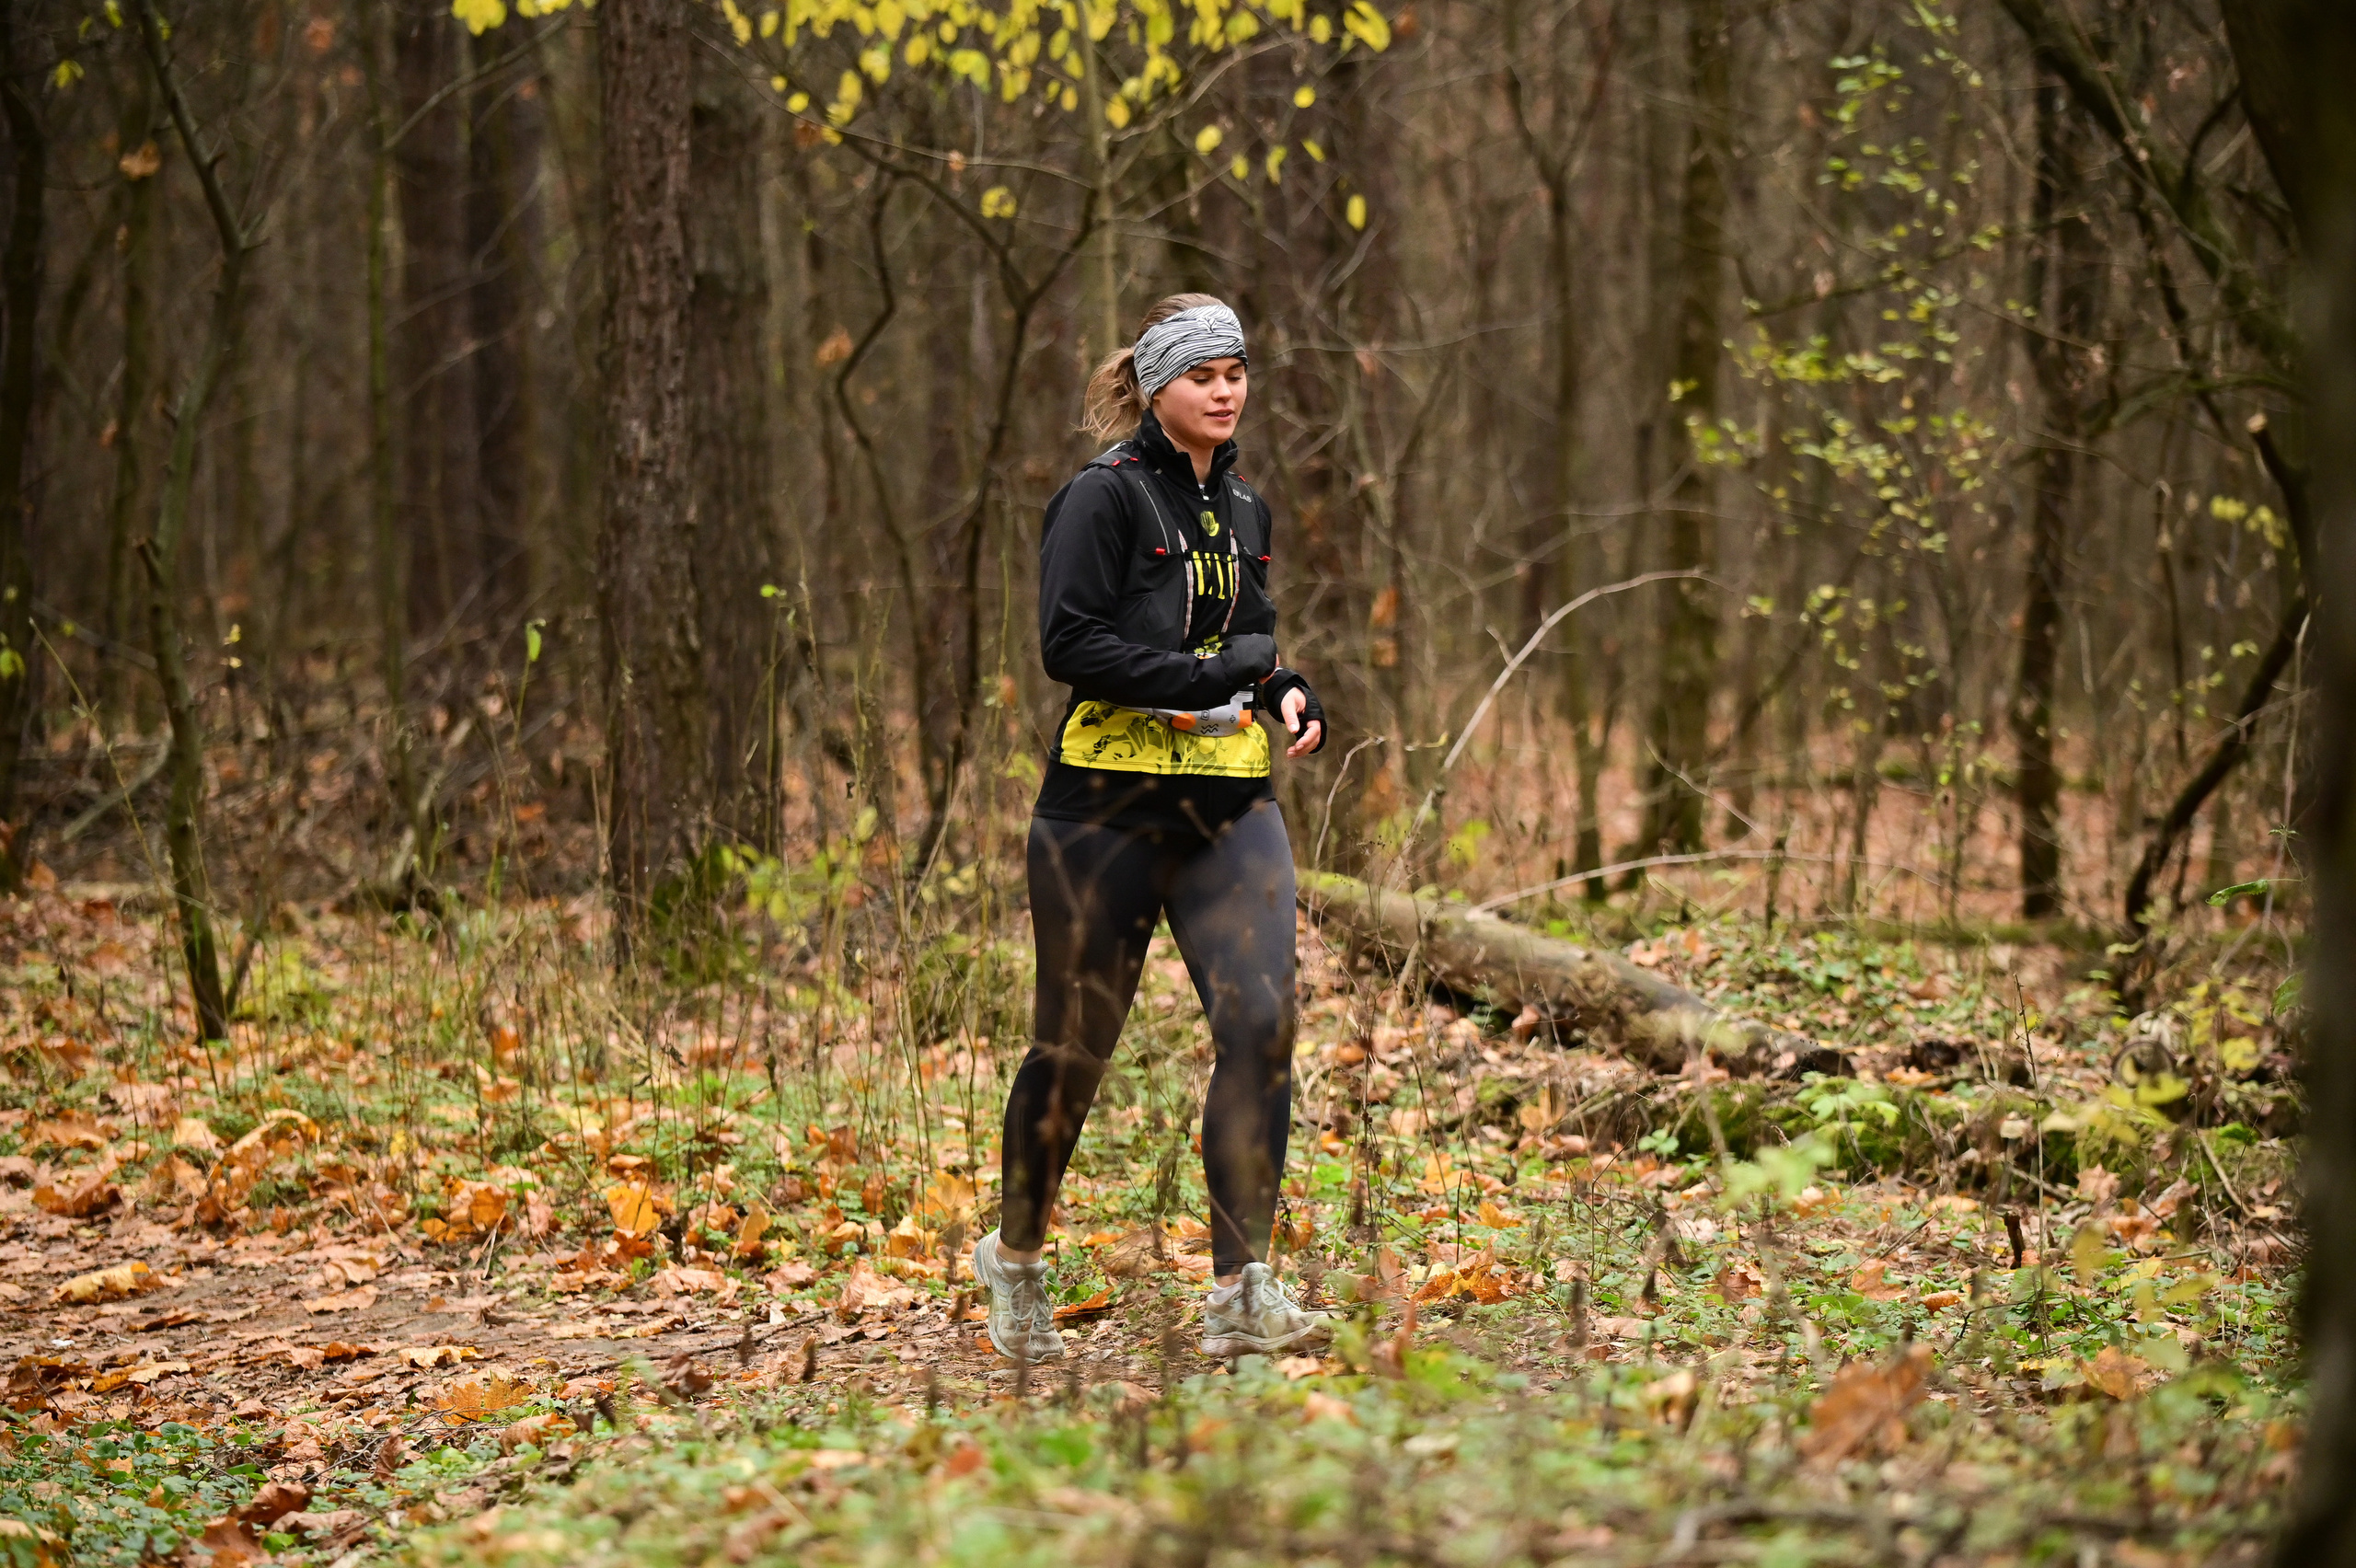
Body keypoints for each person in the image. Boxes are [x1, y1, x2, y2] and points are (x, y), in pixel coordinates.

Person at [971, 294, 1333, 1362]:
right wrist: (1207, 677)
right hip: (1103, 816)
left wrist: (1284, 691)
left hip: (1228, 811)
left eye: (1236, 372)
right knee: (1075, 1050)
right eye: (1203, 375)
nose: (1225, 391)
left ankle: (1241, 1293)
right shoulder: (1102, 501)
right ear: (1156, 386)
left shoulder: (1247, 511)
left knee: (1261, 1032)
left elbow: (1245, 651)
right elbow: (1070, 646)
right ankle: (1019, 1260)